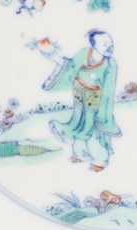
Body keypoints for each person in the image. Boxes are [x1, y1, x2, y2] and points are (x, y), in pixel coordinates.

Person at [43, 30, 122, 172]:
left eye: (110, 43)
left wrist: (103, 112)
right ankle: (80, 154)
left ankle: (100, 159)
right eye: (105, 44)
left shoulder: (111, 64)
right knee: (79, 125)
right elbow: (71, 67)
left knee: (93, 130)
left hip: (96, 101)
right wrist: (55, 57)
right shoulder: (84, 54)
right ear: (94, 46)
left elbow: (109, 89)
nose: (110, 46)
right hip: (79, 97)